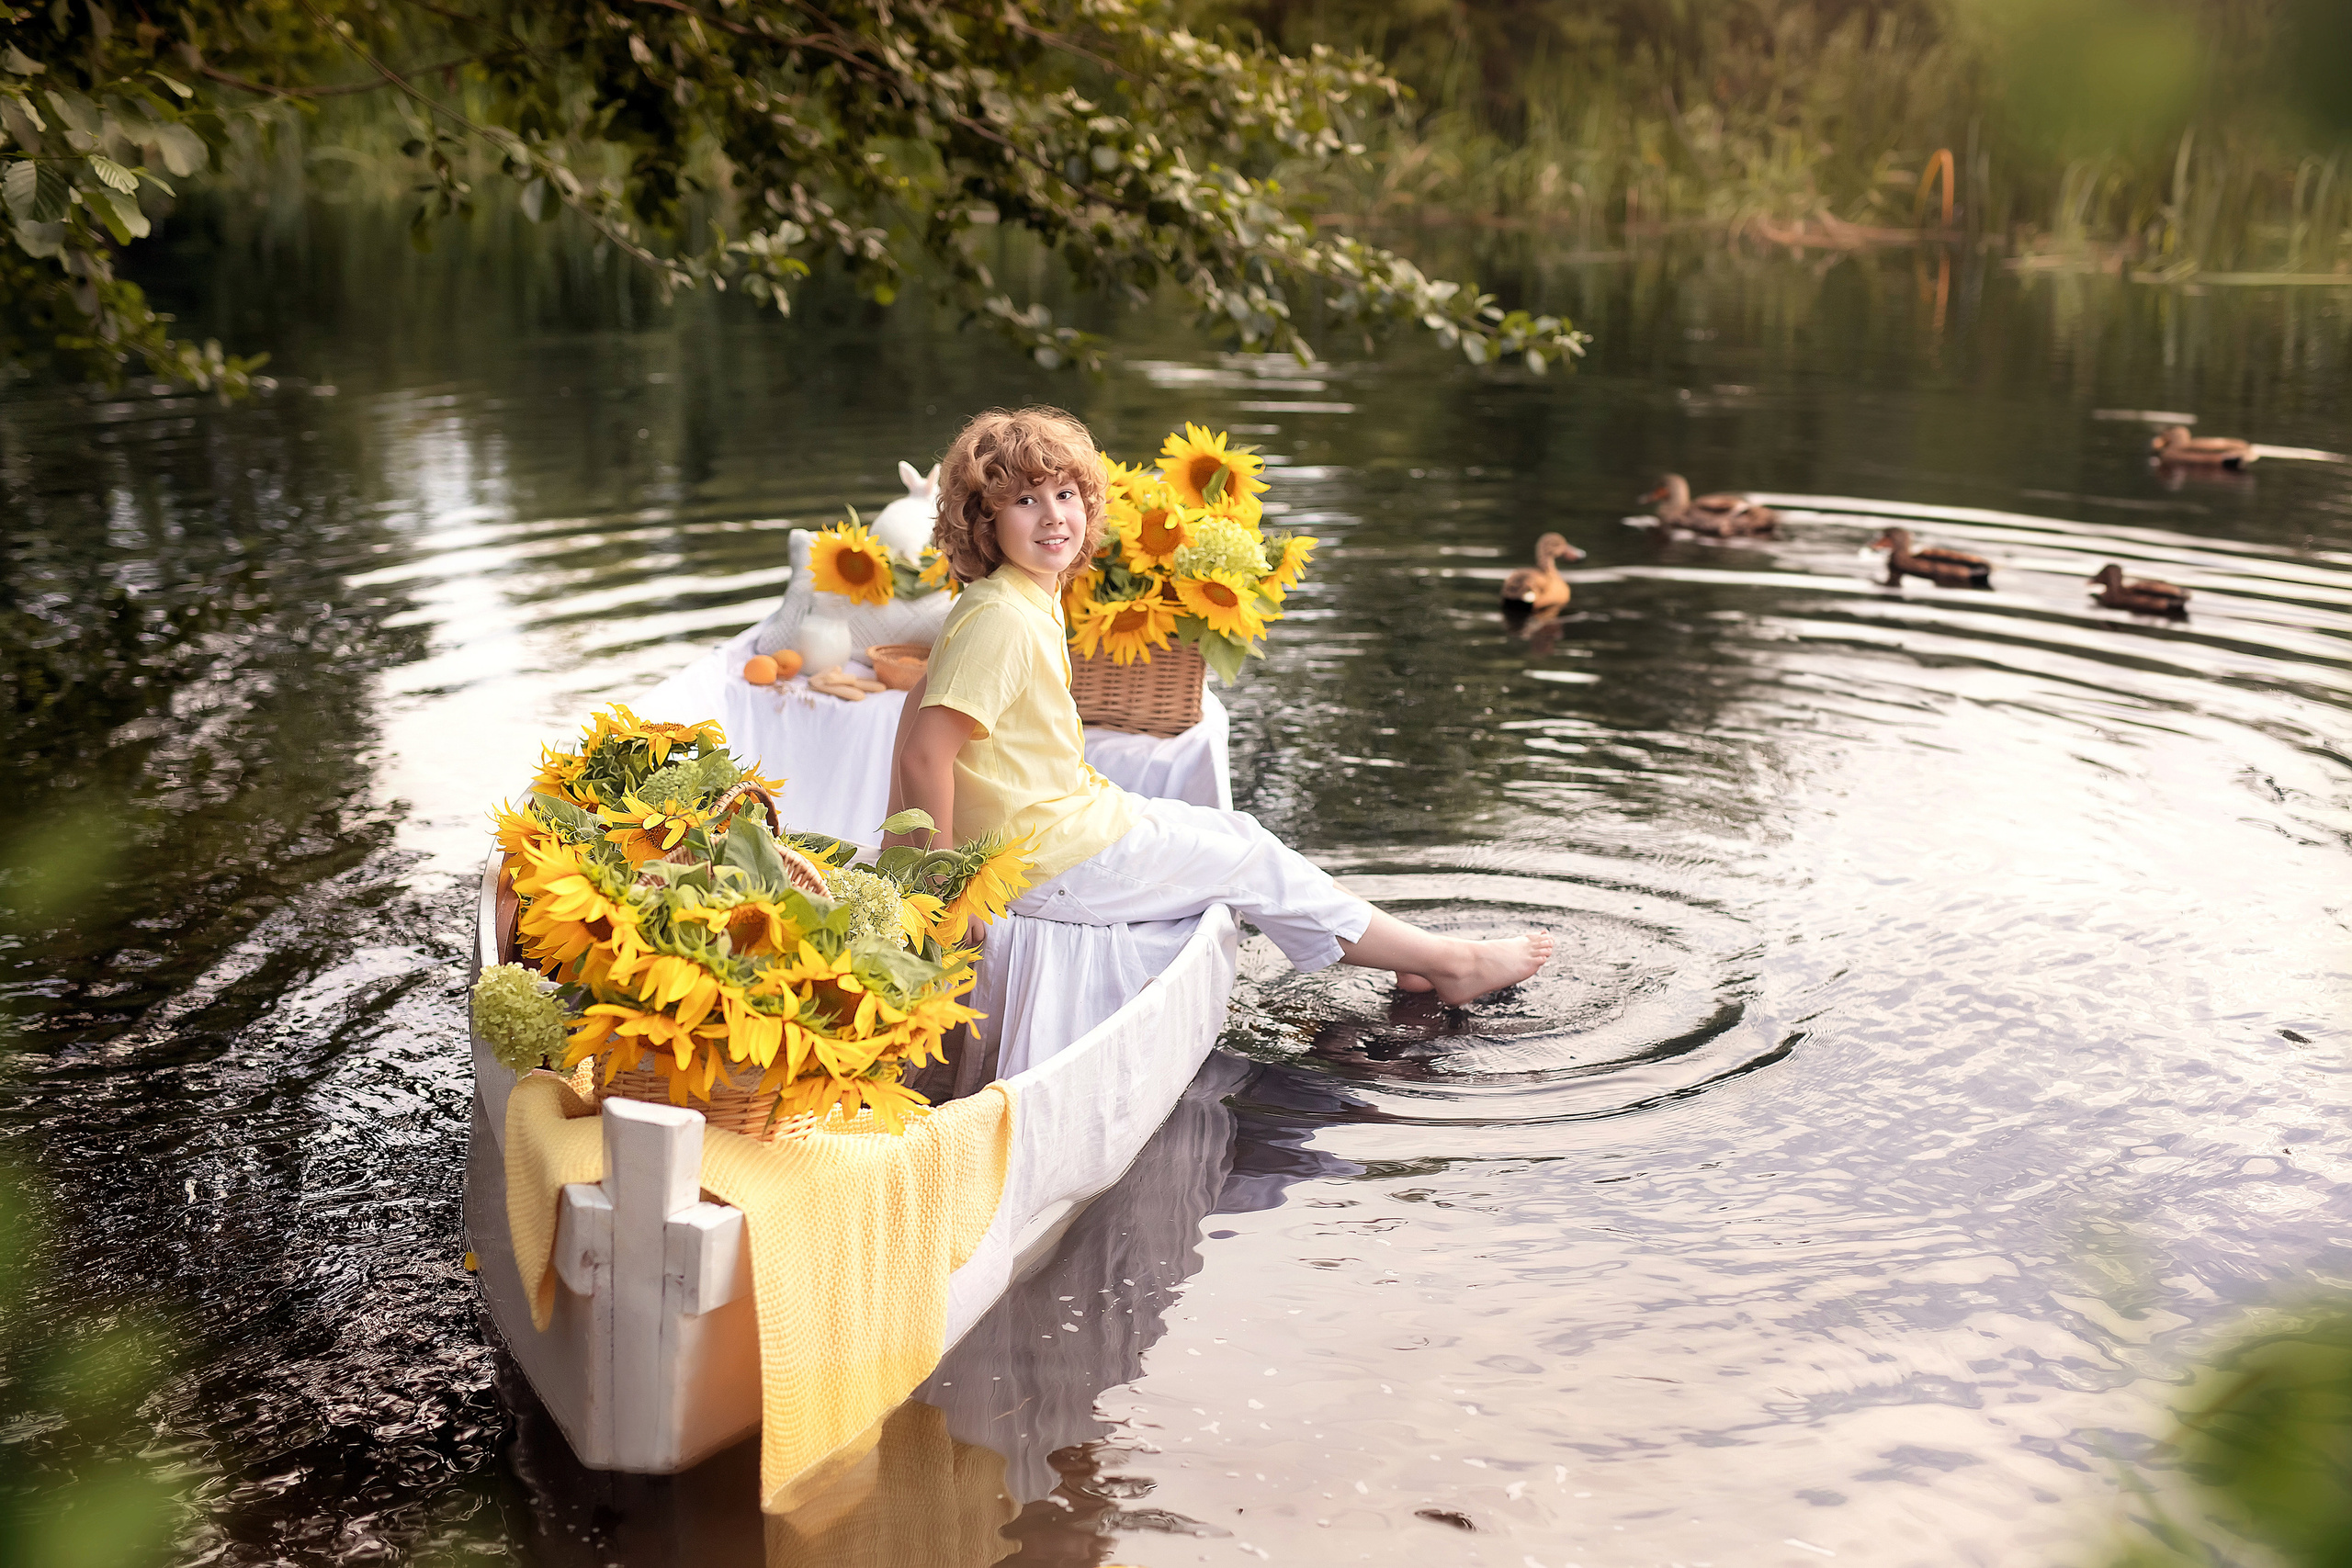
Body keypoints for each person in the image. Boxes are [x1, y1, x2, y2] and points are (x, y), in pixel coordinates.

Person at [884, 406, 1551, 1002]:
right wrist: (944, 889)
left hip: (1061, 822)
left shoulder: (1025, 597)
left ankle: (1416, 960)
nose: (1055, 514)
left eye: (1066, 493)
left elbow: (917, 703)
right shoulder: (1002, 615)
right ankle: (1450, 963)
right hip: (1039, 859)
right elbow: (924, 751)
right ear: (984, 519)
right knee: (1250, 859)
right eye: (1026, 500)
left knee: (1240, 837)